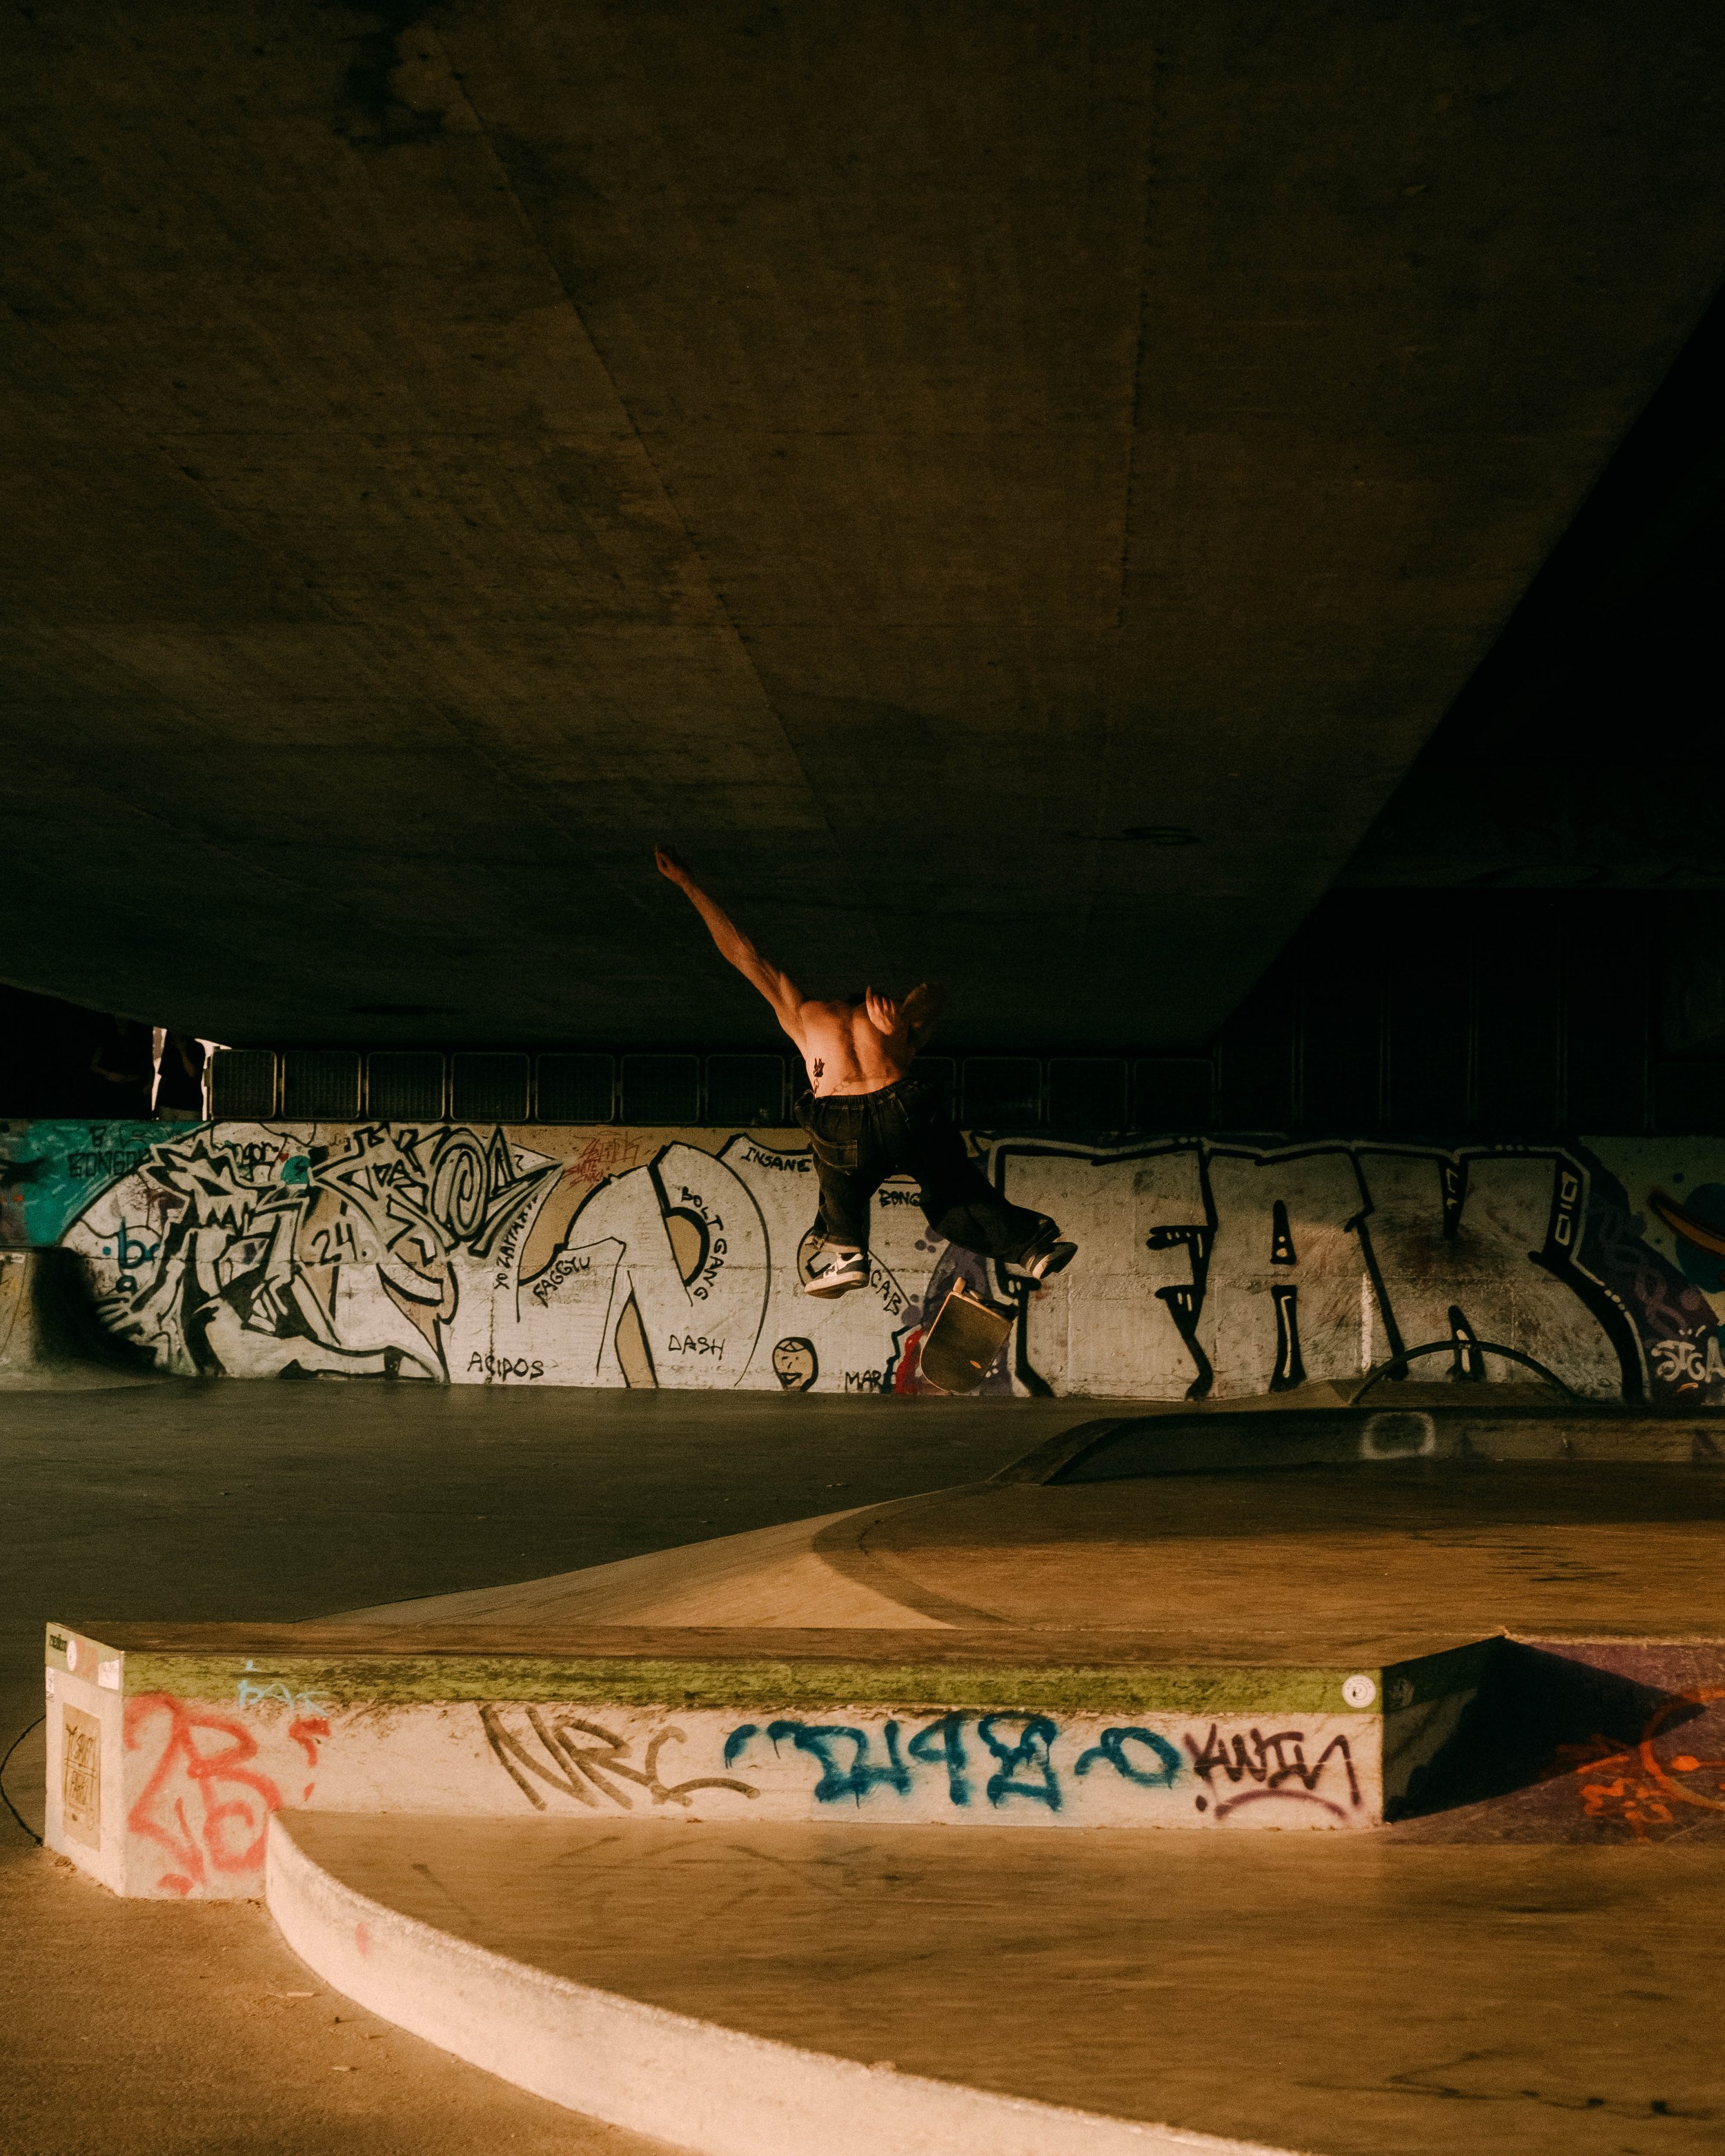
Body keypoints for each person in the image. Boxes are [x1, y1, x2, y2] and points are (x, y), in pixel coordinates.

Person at [656, 845, 1075, 1298]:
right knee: (952, 1188)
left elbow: (743, 954)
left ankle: (849, 1254)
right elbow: (937, 992)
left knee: (835, 1167)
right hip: (906, 1111)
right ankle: (1031, 1247)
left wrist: (689, 885)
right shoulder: (892, 1028)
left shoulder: (804, 1013)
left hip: (840, 1123)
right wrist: (905, 1015)